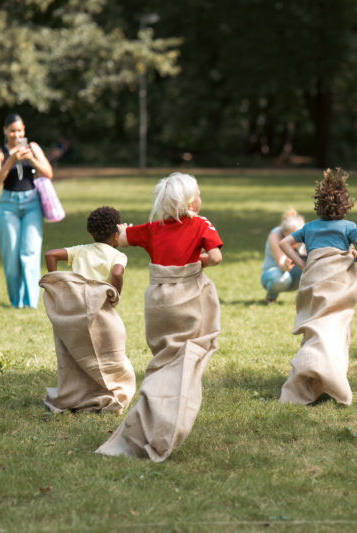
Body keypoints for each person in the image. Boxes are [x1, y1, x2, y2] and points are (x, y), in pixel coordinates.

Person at [96, 172, 223, 462]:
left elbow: (122, 238)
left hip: (157, 306)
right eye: (198, 194)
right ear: (190, 202)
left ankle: (149, 407)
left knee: (163, 361)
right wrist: (197, 260)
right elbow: (215, 257)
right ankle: (165, 424)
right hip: (186, 301)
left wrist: (124, 228)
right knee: (184, 361)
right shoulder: (200, 224)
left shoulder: (153, 228)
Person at [278, 168, 357, 406]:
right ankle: (328, 375)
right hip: (338, 283)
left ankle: (310, 374)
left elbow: (285, 242)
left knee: (315, 323)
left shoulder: (309, 227)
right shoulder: (349, 226)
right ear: (345, 206)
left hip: (314, 280)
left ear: (319, 205)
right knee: (335, 327)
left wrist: (302, 263)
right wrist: (356, 258)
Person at [39, 206, 136, 414]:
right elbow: (117, 275)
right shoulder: (117, 255)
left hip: (73, 311)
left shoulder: (80, 250)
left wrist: (59, 284)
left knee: (76, 354)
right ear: (116, 233)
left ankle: (76, 394)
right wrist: (114, 296)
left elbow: (50, 255)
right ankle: (110, 392)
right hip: (99, 308)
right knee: (106, 353)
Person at [0, 113, 54, 309]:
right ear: (5, 131)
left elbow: (49, 173)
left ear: (24, 130)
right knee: (11, 255)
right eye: (12, 131)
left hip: (32, 204)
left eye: (20, 130)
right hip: (8, 206)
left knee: (30, 252)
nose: (16, 134)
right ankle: (16, 301)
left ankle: (30, 302)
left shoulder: (32, 147)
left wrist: (31, 159)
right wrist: (11, 159)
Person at [260, 209, 306, 303]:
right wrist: (286, 264)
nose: (297, 239)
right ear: (283, 232)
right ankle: (271, 295)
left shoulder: (306, 235)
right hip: (275, 274)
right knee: (282, 279)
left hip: (295, 276)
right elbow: (282, 265)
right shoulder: (275, 235)